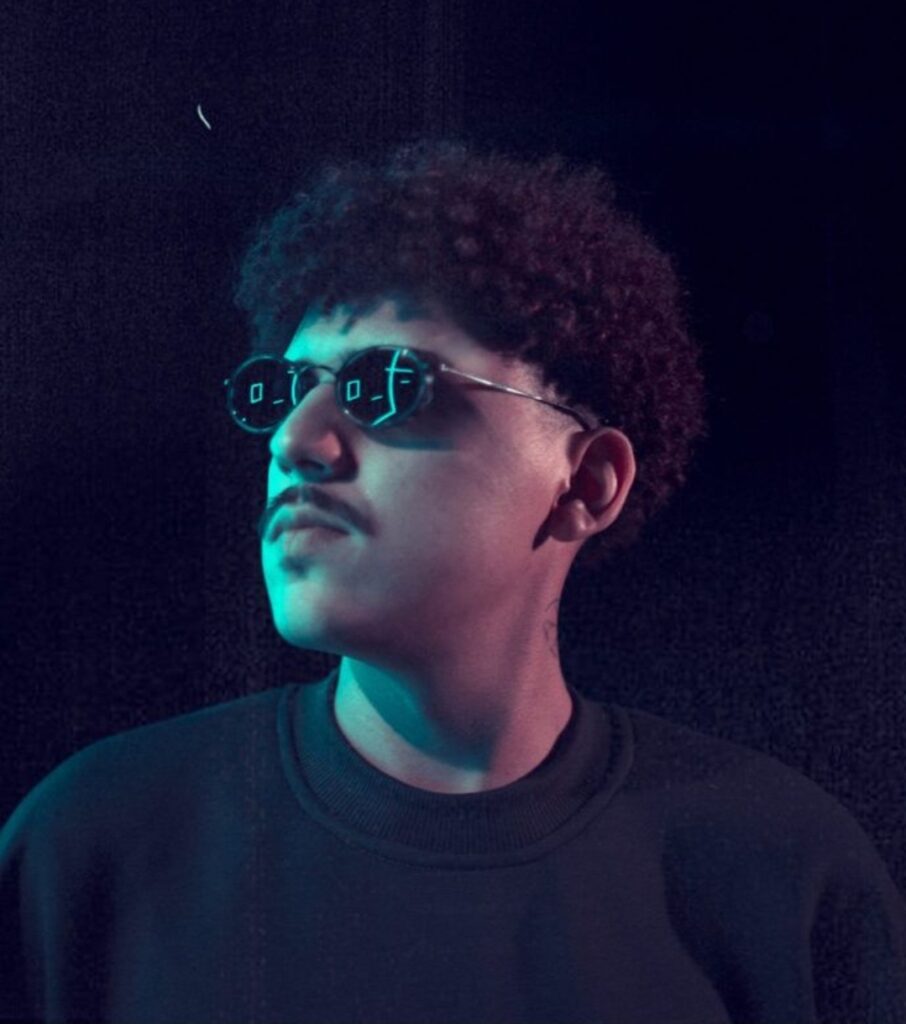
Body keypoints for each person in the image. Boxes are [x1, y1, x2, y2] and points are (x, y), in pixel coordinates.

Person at [1, 139, 904, 1024]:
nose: (294, 442)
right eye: (284, 392)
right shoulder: (92, 846)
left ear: (587, 483)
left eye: (388, 385)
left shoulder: (781, 871)